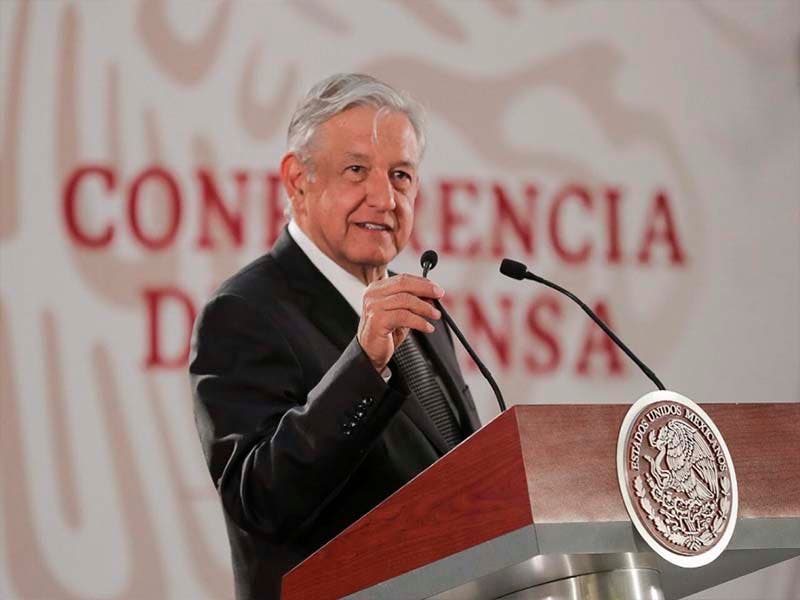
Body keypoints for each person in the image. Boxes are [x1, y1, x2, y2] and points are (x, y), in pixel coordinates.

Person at [190, 73, 480, 600]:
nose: (384, 198)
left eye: (400, 175)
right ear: (297, 180)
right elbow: (260, 500)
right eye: (356, 171)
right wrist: (363, 365)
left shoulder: (419, 310)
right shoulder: (243, 311)